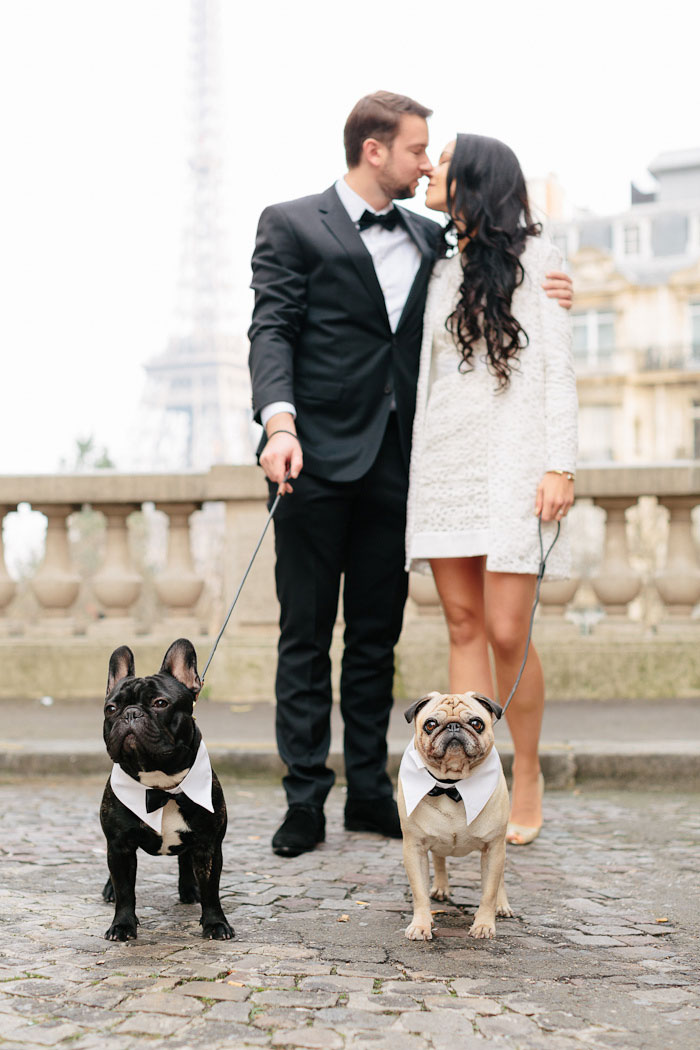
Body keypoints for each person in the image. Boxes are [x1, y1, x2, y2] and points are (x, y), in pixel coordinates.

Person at [248, 92, 573, 857]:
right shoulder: (315, 228)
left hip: (450, 466)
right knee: (328, 635)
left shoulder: (457, 246)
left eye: (437, 156)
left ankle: (446, 783)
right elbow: (272, 328)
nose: (427, 164)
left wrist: (562, 291)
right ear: (374, 150)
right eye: (417, 150)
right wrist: (279, 423)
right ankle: (327, 798)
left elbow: (534, 315)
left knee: (420, 637)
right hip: (365, 465)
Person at [406, 133, 578, 845]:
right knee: (463, 626)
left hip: (513, 462)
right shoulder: (440, 270)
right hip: (445, 462)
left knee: (509, 629)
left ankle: (526, 770)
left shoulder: (543, 263)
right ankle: (472, 780)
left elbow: (560, 370)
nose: (429, 171)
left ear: (474, 178)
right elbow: (427, 380)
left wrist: (560, 465)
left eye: (442, 162)